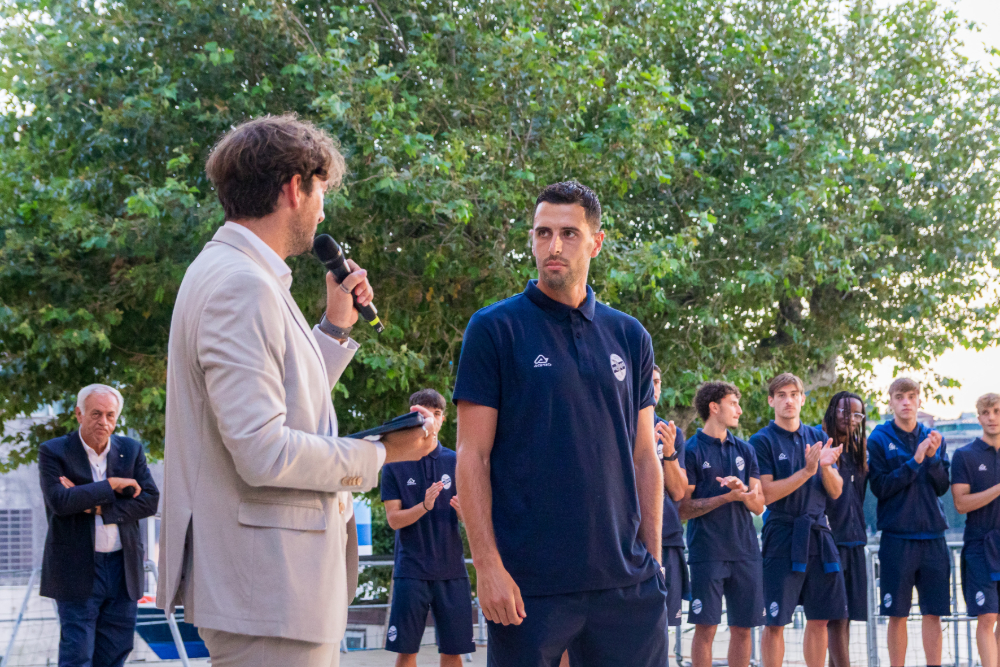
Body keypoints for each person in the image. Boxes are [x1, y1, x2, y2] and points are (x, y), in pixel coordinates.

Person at [156, 115, 437, 667]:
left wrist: (334, 329)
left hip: (271, 592)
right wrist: (381, 454)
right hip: (269, 589)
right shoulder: (243, 285)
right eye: (321, 192)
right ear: (293, 186)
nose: (323, 210)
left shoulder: (233, 273)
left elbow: (279, 402)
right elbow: (263, 451)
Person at [453, 181, 667, 666]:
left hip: (626, 584)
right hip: (529, 587)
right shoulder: (494, 329)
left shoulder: (629, 336)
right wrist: (487, 568)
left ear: (596, 241)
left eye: (569, 233)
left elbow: (643, 456)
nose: (553, 246)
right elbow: (472, 455)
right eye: (542, 233)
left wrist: (651, 563)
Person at [38, 384, 159, 667]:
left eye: (110, 415)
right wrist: (112, 486)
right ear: (79, 414)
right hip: (76, 568)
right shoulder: (54, 451)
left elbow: (150, 501)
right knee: (78, 654)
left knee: (116, 652)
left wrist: (92, 505)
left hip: (122, 568)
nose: (103, 422)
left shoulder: (130, 450)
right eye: (95, 414)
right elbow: (60, 502)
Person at [750, 373, 845, 667]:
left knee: (819, 619)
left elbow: (836, 491)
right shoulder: (761, 440)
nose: (789, 400)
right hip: (782, 534)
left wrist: (825, 468)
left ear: (803, 399)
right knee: (776, 621)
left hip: (819, 533)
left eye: (794, 394)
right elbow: (765, 495)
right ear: (771, 401)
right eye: (781, 395)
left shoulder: (818, 436)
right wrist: (806, 471)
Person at [381, 389, 475, 666]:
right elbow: (393, 519)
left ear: (443, 419)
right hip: (411, 572)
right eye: (422, 413)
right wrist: (423, 506)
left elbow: (474, 520)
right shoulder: (393, 463)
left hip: (452, 571)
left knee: (453, 652)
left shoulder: (456, 461)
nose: (429, 419)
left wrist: (465, 514)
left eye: (436, 414)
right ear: (411, 417)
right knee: (407, 651)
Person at [680, 381, 765, 667]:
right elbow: (683, 509)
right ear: (714, 407)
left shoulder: (745, 449)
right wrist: (726, 497)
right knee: (706, 628)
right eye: (733, 403)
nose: (739, 410)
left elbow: (758, 505)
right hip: (708, 552)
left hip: (745, 552)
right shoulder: (690, 449)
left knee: (743, 629)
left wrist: (742, 493)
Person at [869, 377, 950, 667]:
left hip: (933, 536)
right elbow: (880, 487)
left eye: (911, 396)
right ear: (890, 400)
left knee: (934, 612)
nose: (906, 401)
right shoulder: (878, 438)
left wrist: (933, 459)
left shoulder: (934, 437)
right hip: (897, 537)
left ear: (919, 400)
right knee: (897, 613)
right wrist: (915, 461)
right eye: (899, 396)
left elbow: (942, 487)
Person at [951, 393, 1000, 667]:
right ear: (978, 416)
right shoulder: (964, 455)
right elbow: (960, 504)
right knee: (987, 616)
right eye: (986, 412)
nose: (992, 417)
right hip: (980, 545)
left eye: (996, 411)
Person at [823, 391, 870, 667]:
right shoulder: (820, 444)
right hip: (830, 541)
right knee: (835, 617)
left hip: (855, 540)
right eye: (844, 411)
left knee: (847, 617)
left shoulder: (858, 449)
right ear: (832, 411)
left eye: (856, 414)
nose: (850, 418)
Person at [653, 365, 689, 638]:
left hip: (667, 538)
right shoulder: (612, 422)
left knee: (662, 629)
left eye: (657, 382)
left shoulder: (670, 432)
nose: (652, 387)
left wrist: (669, 453)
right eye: (646, 381)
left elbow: (678, 492)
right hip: (622, 539)